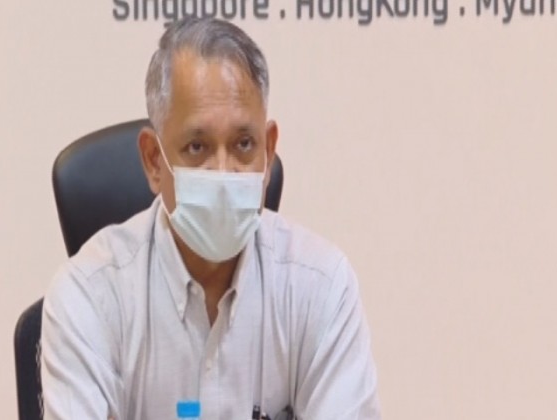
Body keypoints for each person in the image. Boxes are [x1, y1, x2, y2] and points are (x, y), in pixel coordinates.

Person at [41, 17, 380, 420]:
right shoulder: (88, 297)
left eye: (243, 144)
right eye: (197, 147)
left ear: (268, 151)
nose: (223, 173)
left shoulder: (320, 286)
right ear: (154, 160)